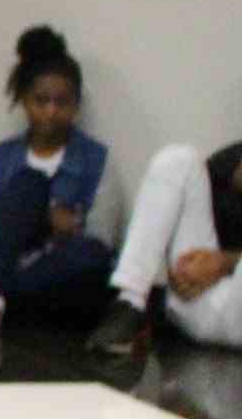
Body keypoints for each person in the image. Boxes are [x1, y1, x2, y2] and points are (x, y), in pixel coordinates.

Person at [0, 27, 122, 343]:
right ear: (23, 100)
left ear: (76, 104)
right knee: (29, 182)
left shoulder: (96, 158)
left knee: (93, 261)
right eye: (41, 100)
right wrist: (44, 221)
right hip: (13, 262)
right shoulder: (2, 156)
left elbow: (102, 239)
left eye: (62, 102)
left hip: (66, 275)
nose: (51, 111)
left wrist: (55, 231)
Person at [86, 139, 242, 356]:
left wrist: (226, 262)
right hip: (208, 298)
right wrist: (193, 266)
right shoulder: (231, 159)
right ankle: (130, 301)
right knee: (177, 159)